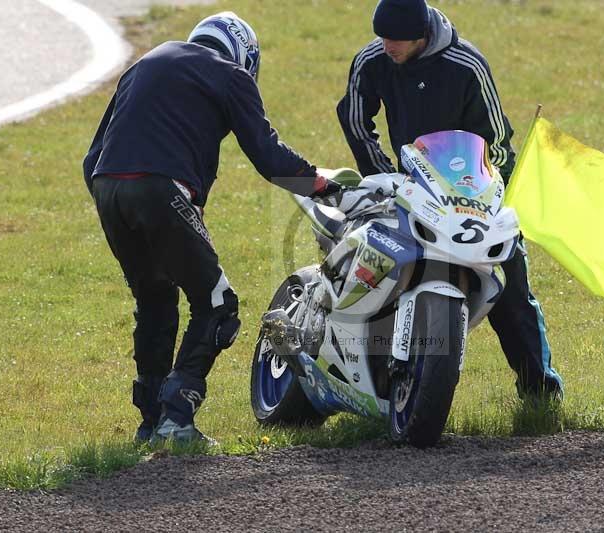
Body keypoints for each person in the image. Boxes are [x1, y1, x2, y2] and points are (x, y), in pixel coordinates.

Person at [83, 12, 349, 444]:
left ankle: (150, 423)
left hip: (108, 189)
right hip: (160, 187)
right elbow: (269, 156)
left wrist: (117, 201)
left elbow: (90, 160)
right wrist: (320, 183)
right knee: (218, 304)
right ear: (244, 56)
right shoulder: (230, 75)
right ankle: (178, 415)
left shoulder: (143, 64)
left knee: (155, 300)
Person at [336, 0, 564, 399]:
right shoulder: (373, 59)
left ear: (421, 34)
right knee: (376, 268)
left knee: (509, 284)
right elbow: (355, 118)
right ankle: (370, 379)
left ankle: (540, 390)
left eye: (398, 39)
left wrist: (488, 195)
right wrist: (381, 172)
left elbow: (497, 141)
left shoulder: (466, 65)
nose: (388, 45)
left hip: (470, 194)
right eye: (383, 36)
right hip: (408, 189)